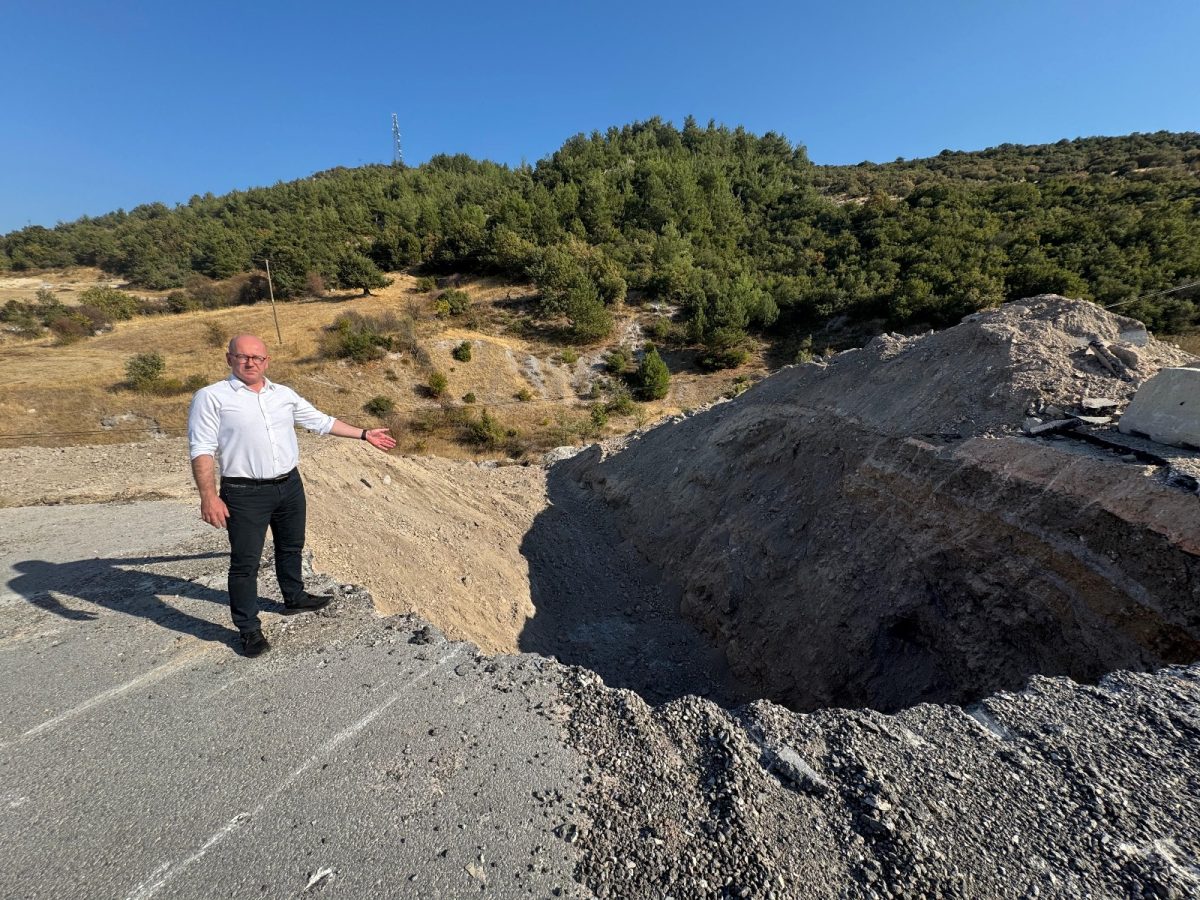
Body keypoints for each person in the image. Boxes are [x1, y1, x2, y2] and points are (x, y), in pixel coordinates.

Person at [188, 334, 396, 657]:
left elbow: (320, 422)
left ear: (267, 361)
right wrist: (208, 496)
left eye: (257, 357)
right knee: (245, 563)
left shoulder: (282, 395)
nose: (250, 362)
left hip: (289, 485)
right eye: (243, 357)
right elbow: (201, 449)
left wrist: (364, 434)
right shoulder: (211, 397)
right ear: (229, 358)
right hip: (244, 492)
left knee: (291, 545)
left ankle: (294, 596)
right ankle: (248, 629)